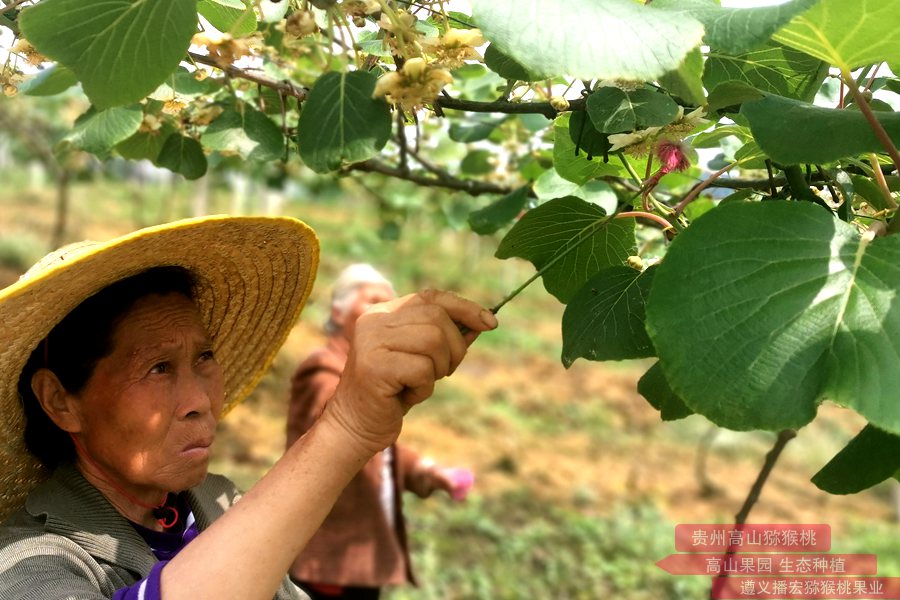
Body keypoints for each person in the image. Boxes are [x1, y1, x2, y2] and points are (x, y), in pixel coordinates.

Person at [0, 216, 497, 600]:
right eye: (157, 368)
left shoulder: (217, 505)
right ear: (61, 402)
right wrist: (346, 427)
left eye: (205, 357)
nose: (201, 403)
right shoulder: (27, 563)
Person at [286, 264, 475, 600]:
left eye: (390, 306)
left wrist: (425, 471)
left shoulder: (362, 376)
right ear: (338, 312)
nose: (382, 314)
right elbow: (339, 426)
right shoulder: (323, 370)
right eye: (372, 301)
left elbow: (379, 447)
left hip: (362, 552)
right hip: (332, 553)